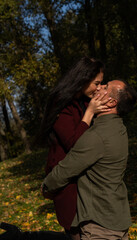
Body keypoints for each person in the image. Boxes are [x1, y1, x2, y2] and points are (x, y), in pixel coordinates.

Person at [42, 79, 137, 240]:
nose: (98, 87)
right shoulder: (119, 128)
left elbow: (65, 170)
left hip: (100, 227)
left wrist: (46, 187)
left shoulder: (97, 136)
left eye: (105, 87)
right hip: (117, 218)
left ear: (111, 102)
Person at [39, 57, 109, 240]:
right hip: (67, 179)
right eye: (96, 83)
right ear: (83, 78)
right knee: (76, 231)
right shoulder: (61, 103)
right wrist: (90, 113)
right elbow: (73, 143)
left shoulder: (85, 101)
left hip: (87, 178)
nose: (98, 87)